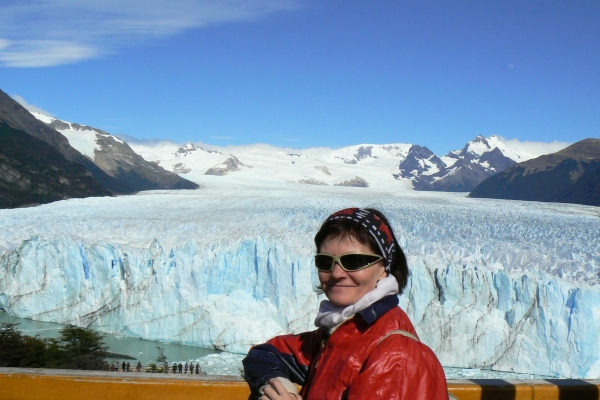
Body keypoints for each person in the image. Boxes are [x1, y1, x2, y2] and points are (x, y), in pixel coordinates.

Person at [243, 208, 448, 400]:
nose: (337, 273)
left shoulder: (395, 356)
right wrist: (274, 382)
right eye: (325, 262)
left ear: (384, 268)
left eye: (354, 261)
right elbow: (266, 353)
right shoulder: (340, 336)